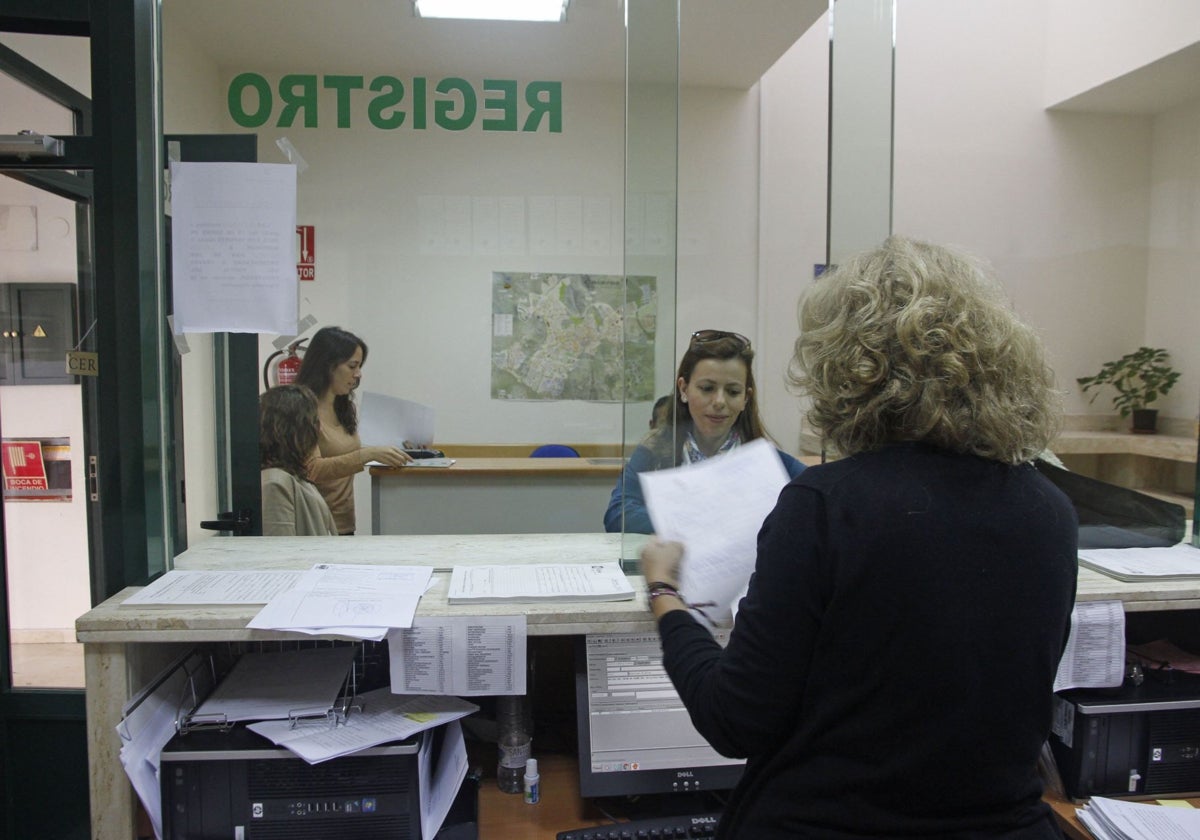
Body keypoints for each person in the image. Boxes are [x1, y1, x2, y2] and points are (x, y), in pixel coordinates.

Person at [640, 236, 1078, 839]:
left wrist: (665, 593)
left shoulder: (826, 507)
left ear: (846, 367)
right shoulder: (1050, 512)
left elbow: (733, 720)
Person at [604, 330, 806, 534]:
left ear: (746, 397)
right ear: (684, 389)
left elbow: (816, 506)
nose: (719, 402)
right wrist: (700, 523)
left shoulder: (769, 460)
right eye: (707, 388)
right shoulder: (654, 450)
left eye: (733, 392)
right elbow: (617, 515)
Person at [294, 326, 411, 535]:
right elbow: (312, 469)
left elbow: (343, 452)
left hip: (344, 522)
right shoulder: (301, 409)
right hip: (316, 526)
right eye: (352, 366)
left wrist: (396, 448)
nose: (358, 374)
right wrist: (367, 455)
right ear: (328, 365)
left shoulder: (342, 406)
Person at [259, 384, 337, 536]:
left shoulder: (293, 477)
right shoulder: (275, 483)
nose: (319, 430)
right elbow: (281, 551)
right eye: (314, 421)